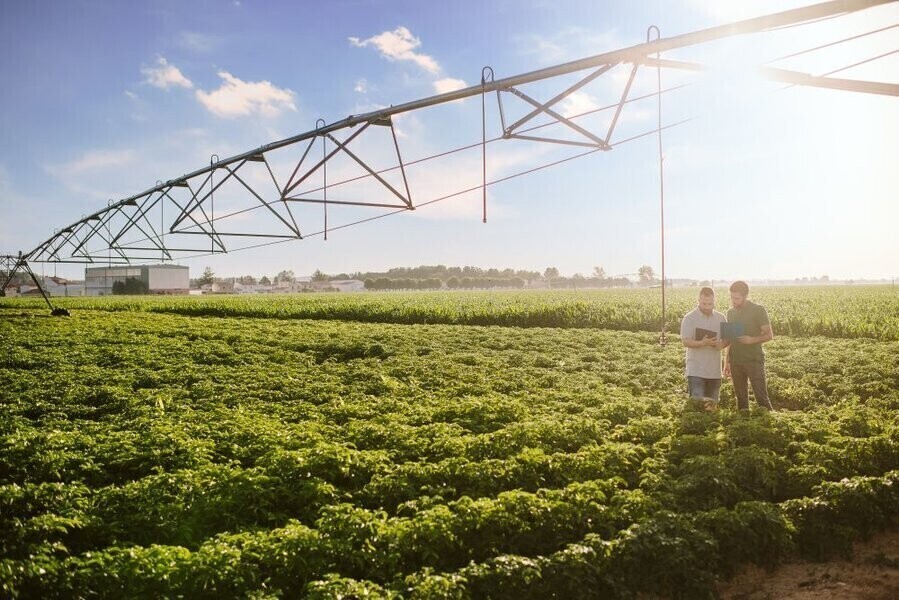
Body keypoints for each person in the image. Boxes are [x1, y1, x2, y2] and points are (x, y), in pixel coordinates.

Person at [725, 280, 774, 410]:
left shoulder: (758, 310)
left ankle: (770, 426)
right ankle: (745, 427)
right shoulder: (731, 313)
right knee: (741, 400)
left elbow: (769, 335)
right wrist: (727, 362)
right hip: (736, 361)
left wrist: (751, 340)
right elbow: (729, 340)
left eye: (737, 298)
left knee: (761, 398)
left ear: (745, 296)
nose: (733, 301)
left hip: (754, 360)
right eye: (731, 297)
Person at [680, 287, 728, 409]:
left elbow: (729, 339)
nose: (707, 306)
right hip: (696, 370)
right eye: (704, 303)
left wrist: (721, 345)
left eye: (710, 303)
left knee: (711, 408)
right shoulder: (689, 318)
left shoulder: (721, 317)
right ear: (698, 300)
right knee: (697, 407)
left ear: (714, 301)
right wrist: (702, 343)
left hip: (715, 371)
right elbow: (685, 341)